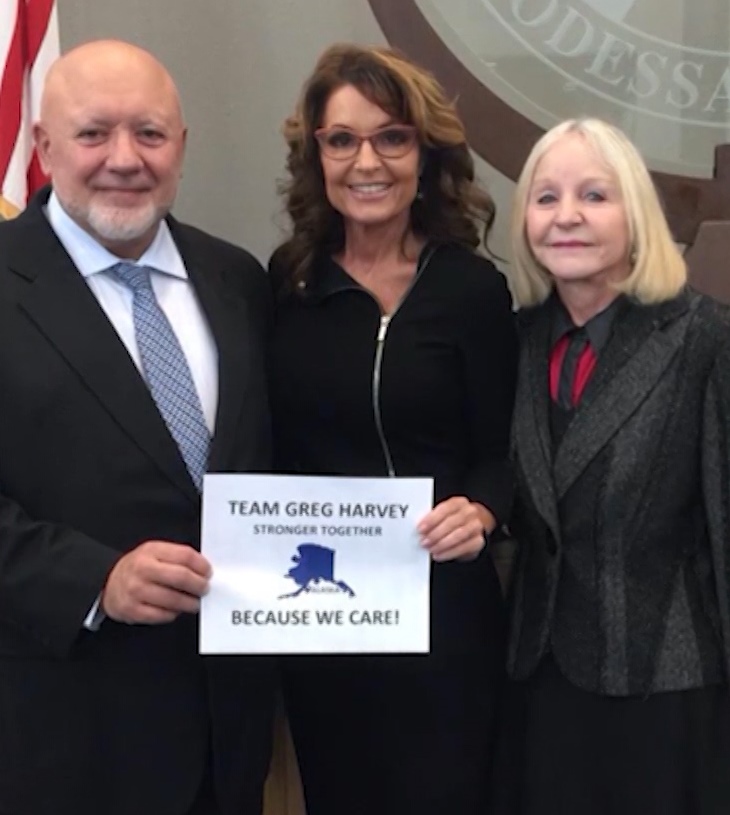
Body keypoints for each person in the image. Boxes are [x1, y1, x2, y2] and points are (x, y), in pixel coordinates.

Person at [0, 40, 274, 815]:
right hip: (62, 738)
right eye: (93, 134)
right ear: (45, 145)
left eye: (149, 134)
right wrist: (95, 578)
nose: (125, 158)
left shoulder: (240, 281)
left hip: (229, 741)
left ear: (181, 147)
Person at [269, 43, 517, 815]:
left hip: (444, 614)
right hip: (322, 616)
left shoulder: (473, 290)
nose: (365, 161)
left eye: (391, 137)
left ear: (425, 155)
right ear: (317, 156)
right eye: (342, 139)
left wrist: (481, 508)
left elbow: (504, 453)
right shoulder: (287, 282)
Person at [494, 117, 730, 814]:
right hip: (540, 686)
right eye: (546, 197)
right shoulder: (517, 341)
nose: (566, 215)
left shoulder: (705, 339)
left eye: (594, 195)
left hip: (668, 691)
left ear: (636, 213)